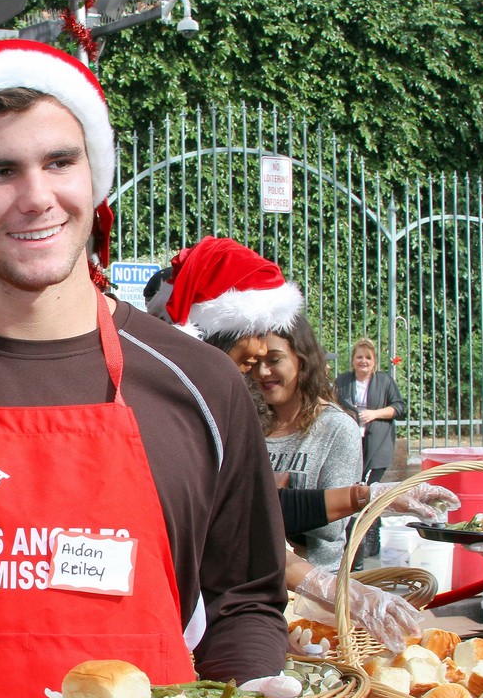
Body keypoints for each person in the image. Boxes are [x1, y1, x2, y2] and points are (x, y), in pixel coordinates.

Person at [0, 38, 289, 698]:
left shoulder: (198, 383)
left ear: (92, 176)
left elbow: (242, 596)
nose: (36, 196)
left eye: (59, 162)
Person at [150, 235, 454, 653]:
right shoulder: (180, 415)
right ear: (213, 334)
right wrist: (320, 578)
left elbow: (258, 513)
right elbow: (244, 519)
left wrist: (367, 495)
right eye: (254, 335)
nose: (259, 355)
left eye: (273, 351)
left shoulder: (289, 417)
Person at [253, 315, 364, 570]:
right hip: (252, 582)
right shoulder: (250, 424)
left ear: (302, 360)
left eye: (274, 360)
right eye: (256, 362)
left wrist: (265, 497)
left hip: (311, 591)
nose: (262, 372)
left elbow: (332, 525)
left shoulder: (337, 429)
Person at [334, 337, 406, 484]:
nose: (363, 361)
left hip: (377, 443)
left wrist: (374, 414)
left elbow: (399, 408)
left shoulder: (385, 381)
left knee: (369, 485)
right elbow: (332, 404)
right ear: (353, 360)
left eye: (368, 357)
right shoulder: (342, 381)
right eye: (359, 357)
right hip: (350, 441)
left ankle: (368, 507)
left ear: (374, 362)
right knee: (351, 484)